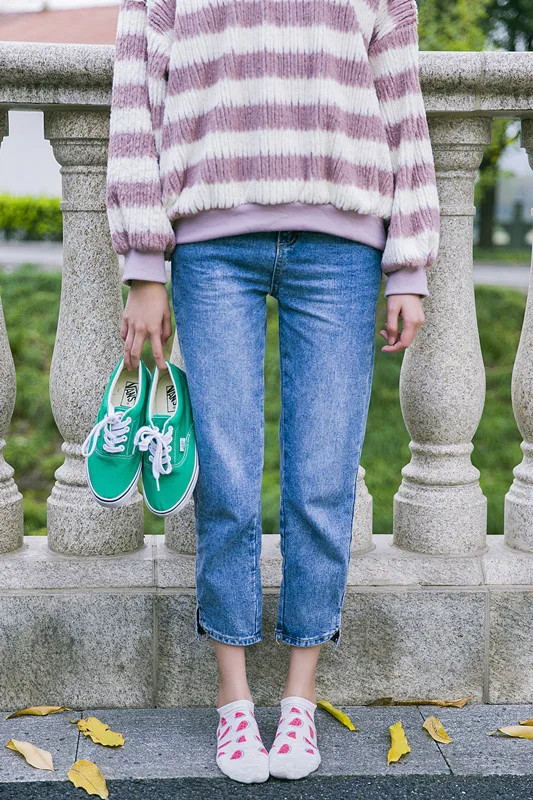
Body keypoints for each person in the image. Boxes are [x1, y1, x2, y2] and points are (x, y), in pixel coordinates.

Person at [106, 0, 440, 784]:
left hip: (343, 244)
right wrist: (144, 265)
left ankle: (297, 697)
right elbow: (134, 102)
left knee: (322, 480)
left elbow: (401, 103)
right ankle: (232, 699)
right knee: (224, 480)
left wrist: (409, 263)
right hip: (210, 241)